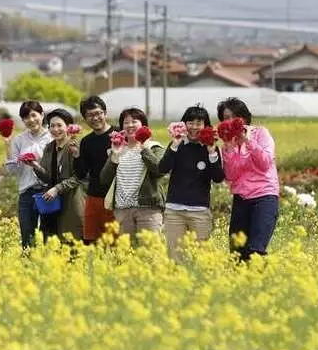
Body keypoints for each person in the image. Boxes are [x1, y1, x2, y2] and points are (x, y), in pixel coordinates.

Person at [158, 105, 225, 261]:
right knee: (175, 258)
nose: (194, 127)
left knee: (200, 258)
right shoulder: (177, 145)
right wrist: (174, 144)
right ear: (184, 124)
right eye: (190, 122)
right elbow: (162, 168)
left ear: (205, 126)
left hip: (200, 211)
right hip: (174, 211)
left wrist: (211, 152)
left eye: (199, 123)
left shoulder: (211, 149)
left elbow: (218, 177)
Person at [218, 97, 280, 261]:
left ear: (244, 117)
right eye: (226, 118)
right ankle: (240, 285)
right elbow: (231, 176)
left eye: (234, 116)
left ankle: (260, 283)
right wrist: (230, 149)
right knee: (238, 253)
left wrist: (247, 140)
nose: (230, 121)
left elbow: (265, 163)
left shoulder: (260, 133)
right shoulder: (227, 145)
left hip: (264, 197)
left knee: (256, 250)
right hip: (241, 199)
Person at [100, 107, 166, 238]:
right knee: (127, 254)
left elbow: (159, 170)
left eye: (134, 121)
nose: (130, 125)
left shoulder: (154, 147)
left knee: (150, 251)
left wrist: (144, 148)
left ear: (143, 125)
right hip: (122, 210)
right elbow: (104, 179)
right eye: (126, 122)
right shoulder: (117, 150)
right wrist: (115, 155)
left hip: (148, 209)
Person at [2, 100, 52, 248]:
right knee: (27, 238)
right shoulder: (19, 140)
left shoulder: (52, 137)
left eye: (33, 115)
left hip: (47, 192)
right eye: (26, 117)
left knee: (48, 237)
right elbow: (12, 170)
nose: (31, 120)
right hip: (27, 193)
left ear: (42, 115)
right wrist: (8, 144)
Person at [33, 108, 85, 241]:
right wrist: (36, 167)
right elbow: (47, 177)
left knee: (70, 243)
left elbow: (79, 176)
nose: (55, 129)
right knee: (51, 243)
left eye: (59, 125)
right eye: (52, 126)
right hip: (51, 203)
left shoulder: (75, 146)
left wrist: (57, 189)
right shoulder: (49, 148)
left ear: (68, 127)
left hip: (71, 201)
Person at [72, 96, 116, 243]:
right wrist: (77, 155)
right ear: (85, 118)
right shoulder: (86, 142)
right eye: (90, 115)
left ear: (105, 113)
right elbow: (81, 173)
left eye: (98, 113)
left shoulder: (119, 134)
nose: (95, 118)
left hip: (117, 198)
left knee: (116, 243)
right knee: (92, 242)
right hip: (94, 197)